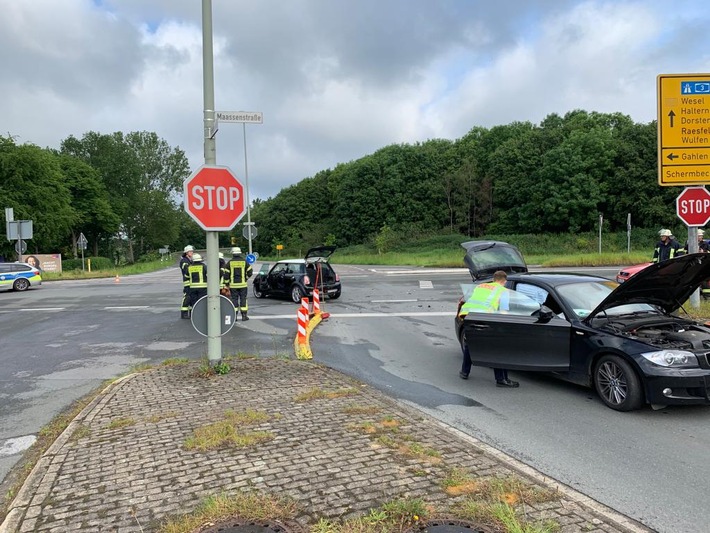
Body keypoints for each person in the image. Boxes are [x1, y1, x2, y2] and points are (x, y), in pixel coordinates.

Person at [458, 270, 519, 388]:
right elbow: (503, 310)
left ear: (493, 278)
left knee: (471, 344)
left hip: (470, 317)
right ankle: (501, 379)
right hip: (487, 319)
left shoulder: (481, 286)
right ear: (504, 281)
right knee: (497, 348)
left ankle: (464, 372)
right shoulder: (503, 291)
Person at [226, 247, 253, 321]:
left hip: (233, 285)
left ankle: (235, 317)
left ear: (233, 253)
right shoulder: (244, 262)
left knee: (234, 299)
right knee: (243, 299)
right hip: (243, 285)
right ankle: (244, 316)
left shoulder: (229, 263)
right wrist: (246, 278)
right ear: (240, 253)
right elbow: (250, 272)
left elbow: (226, 274)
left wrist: (227, 283)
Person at [179, 245, 194, 319]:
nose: (192, 252)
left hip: (192, 282)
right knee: (187, 297)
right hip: (187, 281)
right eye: (190, 251)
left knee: (192, 297)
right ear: (186, 252)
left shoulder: (190, 260)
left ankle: (192, 312)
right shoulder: (184, 261)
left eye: (192, 251)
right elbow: (187, 270)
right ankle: (184, 313)